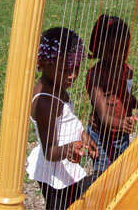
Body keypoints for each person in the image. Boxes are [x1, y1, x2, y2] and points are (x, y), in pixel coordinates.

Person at [26, 27, 99, 210]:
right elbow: (49, 151)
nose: (72, 75)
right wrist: (67, 150)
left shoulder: (57, 85)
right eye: (65, 69)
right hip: (54, 172)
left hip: (65, 163)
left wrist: (83, 135)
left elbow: (68, 119)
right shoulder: (45, 102)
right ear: (44, 63)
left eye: (76, 67)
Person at [86, 14, 138, 177]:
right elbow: (103, 115)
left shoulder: (127, 71)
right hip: (102, 138)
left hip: (121, 136)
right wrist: (122, 124)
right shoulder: (95, 76)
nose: (118, 56)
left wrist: (137, 103)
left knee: (121, 173)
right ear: (99, 48)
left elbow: (126, 98)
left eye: (123, 51)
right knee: (104, 177)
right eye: (112, 51)